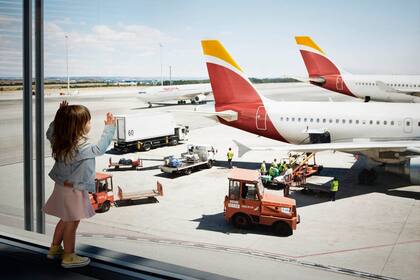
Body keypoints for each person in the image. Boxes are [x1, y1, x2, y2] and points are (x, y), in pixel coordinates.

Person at [42, 101, 116, 268]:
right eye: (88, 121)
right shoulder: (81, 146)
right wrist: (110, 128)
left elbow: (50, 132)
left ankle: (54, 249)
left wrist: (59, 116)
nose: (90, 124)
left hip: (62, 186)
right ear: (78, 126)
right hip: (74, 190)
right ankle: (69, 256)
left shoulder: (58, 140)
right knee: (72, 223)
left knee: (64, 219)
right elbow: (100, 149)